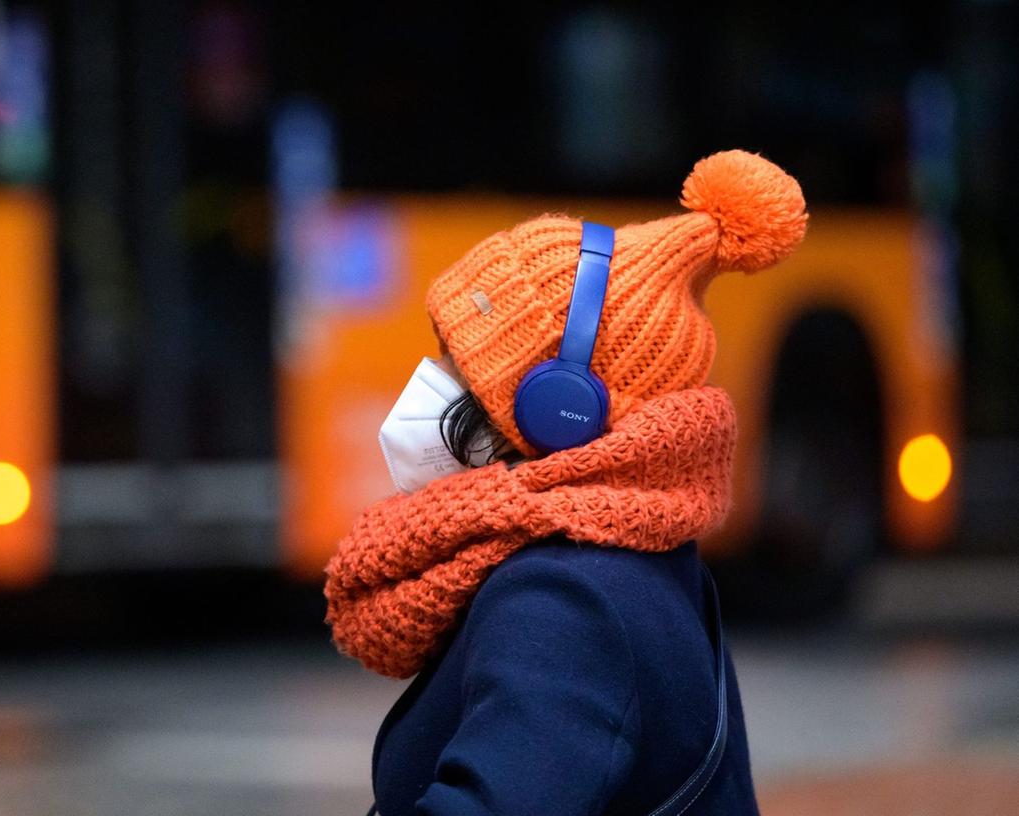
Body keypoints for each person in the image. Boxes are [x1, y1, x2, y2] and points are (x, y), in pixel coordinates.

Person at [324, 150, 809, 815]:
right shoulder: (635, 561)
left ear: (559, 413)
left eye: (457, 365)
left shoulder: (565, 601)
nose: (427, 384)